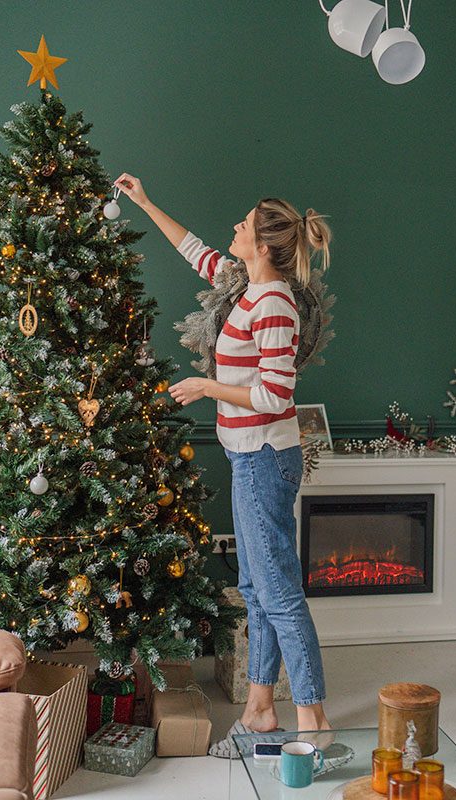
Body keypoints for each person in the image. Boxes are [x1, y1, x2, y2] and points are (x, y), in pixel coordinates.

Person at [114, 173, 334, 758]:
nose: (233, 230)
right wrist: (145, 202)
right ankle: (260, 711)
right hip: (248, 457)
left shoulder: (275, 305)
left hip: (265, 459)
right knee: (256, 589)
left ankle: (313, 718)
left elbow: (274, 397)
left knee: (279, 592)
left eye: (243, 226)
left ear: (264, 246)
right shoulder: (245, 286)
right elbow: (197, 254)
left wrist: (207, 385)